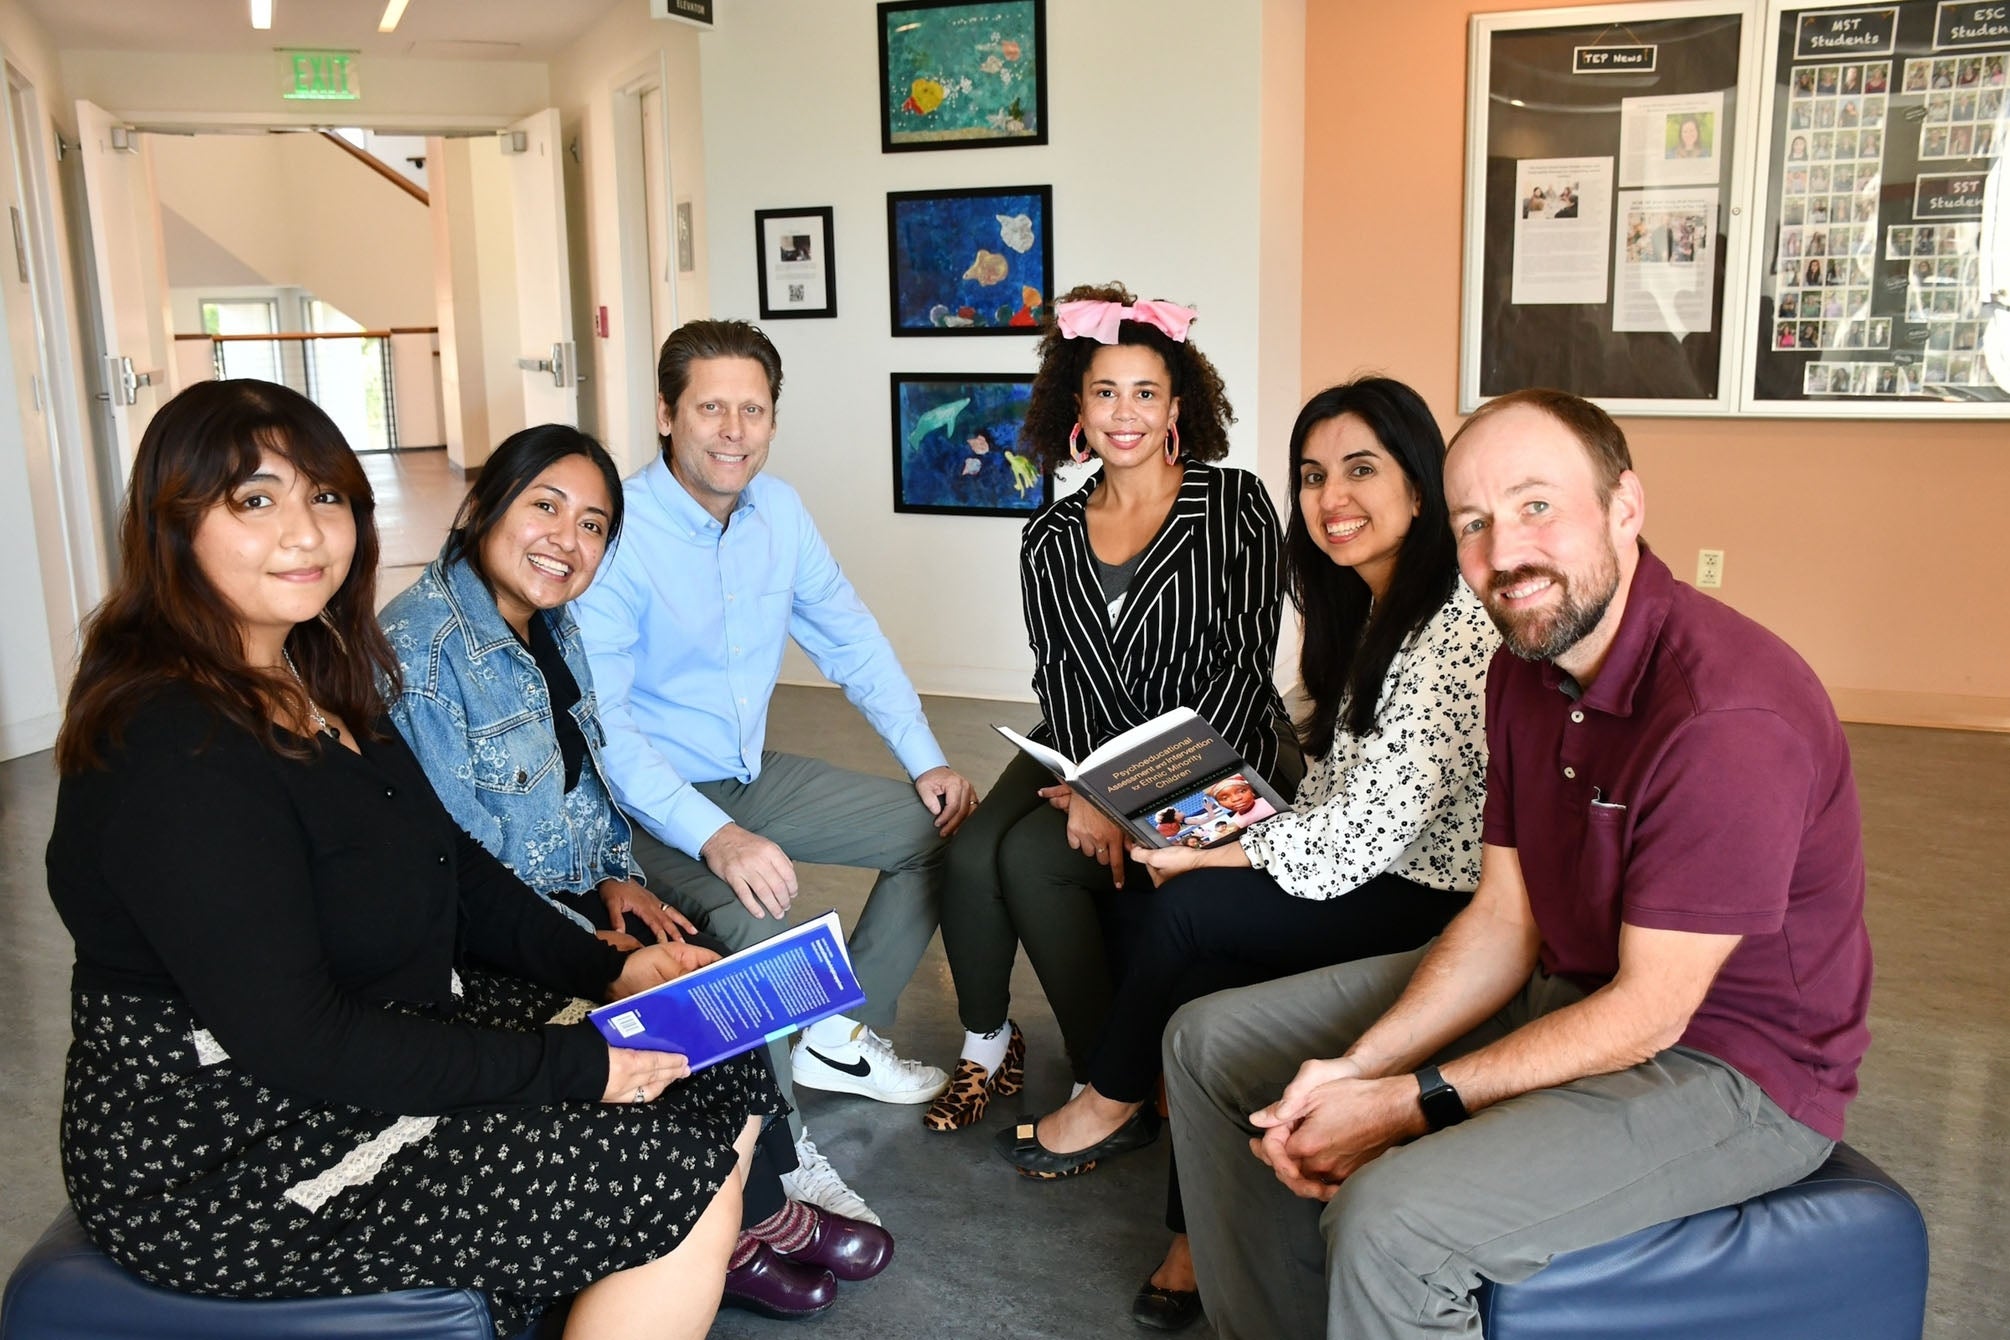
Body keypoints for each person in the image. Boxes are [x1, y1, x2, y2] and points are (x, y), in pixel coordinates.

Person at [45, 380, 802, 1339]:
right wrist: (580, 1061)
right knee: (667, 1167)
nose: (306, 533)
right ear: (172, 521)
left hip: (380, 1020)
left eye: (325, 497)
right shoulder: (169, 742)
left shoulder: (315, 666)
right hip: (234, 1147)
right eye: (254, 499)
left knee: (710, 1053)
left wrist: (609, 967)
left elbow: (450, 862)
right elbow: (299, 1042)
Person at [1165, 387, 1871, 1340]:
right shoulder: (1524, 667)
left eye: (1537, 505)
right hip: (1562, 987)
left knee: (1395, 1220)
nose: (1504, 553)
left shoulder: (1725, 717)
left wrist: (1408, 1103)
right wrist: (1357, 1069)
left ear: (1624, 507)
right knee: (1208, 1045)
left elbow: (1649, 1015)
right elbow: (1504, 920)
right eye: (1474, 523)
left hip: (1729, 1067)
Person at [998, 379, 1498, 1332]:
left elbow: (1368, 835)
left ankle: (1109, 1096)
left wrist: (1216, 857)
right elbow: (1338, 791)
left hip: (1430, 893)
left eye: (1361, 470)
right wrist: (1227, 827)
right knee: (1192, 962)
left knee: (1188, 910)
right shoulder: (1370, 606)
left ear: (1422, 487)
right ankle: (1191, 1238)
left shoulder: (1448, 623)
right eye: (1312, 476)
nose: (1330, 499)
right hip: (1372, 863)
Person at [380, 422, 895, 1318]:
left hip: (577, 895)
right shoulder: (422, 656)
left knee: (718, 980)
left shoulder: (554, 623)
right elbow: (457, 877)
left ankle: (748, 1204)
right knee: (684, 1012)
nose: (566, 540)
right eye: (545, 506)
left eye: (591, 526)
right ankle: (744, 1222)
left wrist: (620, 879)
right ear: (481, 507)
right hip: (502, 940)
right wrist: (589, 934)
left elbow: (585, 782)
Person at [574, 319, 978, 1225]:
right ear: (668, 414)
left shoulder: (780, 512)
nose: (732, 429)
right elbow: (608, 731)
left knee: (938, 831)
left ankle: (830, 1035)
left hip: (744, 775)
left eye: (752, 409)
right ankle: (787, 1161)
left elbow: (850, 636)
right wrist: (717, 838)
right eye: (710, 407)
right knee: (755, 922)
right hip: (643, 810)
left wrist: (930, 760)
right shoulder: (622, 535)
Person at [925, 284, 1289, 1141]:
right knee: (972, 848)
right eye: (1105, 391)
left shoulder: (1234, 505)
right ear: (1075, 409)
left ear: (1177, 406)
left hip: (1214, 760)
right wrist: (1089, 780)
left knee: (1030, 860)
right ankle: (992, 1046)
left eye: (1146, 392)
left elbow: (1242, 673)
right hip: (1086, 738)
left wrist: (1115, 796)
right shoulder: (1047, 537)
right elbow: (1066, 676)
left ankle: (1110, 1078)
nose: (1125, 413)